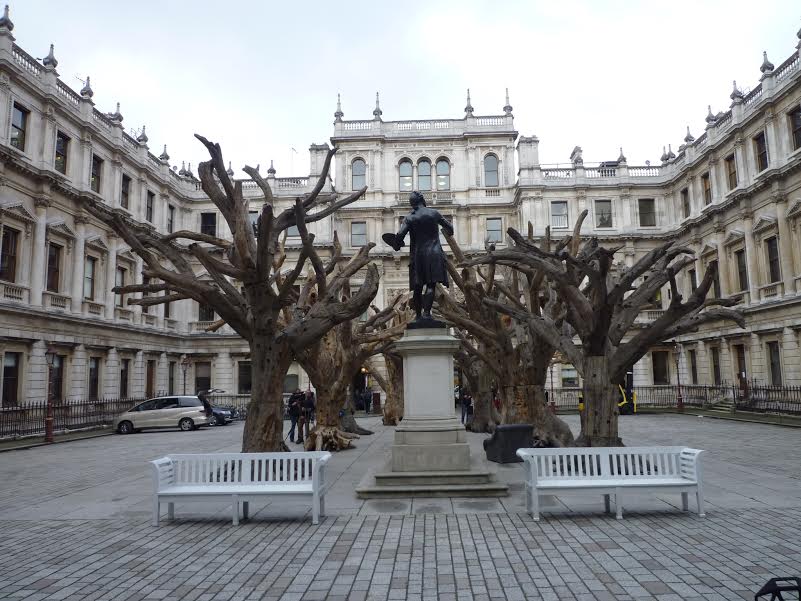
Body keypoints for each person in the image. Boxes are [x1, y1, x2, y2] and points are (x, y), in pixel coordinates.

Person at [384, 191, 454, 324]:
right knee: (431, 284)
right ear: (422, 199)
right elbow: (450, 228)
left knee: (417, 286)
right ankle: (427, 314)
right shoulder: (434, 213)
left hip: (418, 255)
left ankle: (418, 316)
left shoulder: (410, 217)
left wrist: (396, 244)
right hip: (434, 253)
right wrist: (447, 232)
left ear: (412, 203)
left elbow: (400, 236)